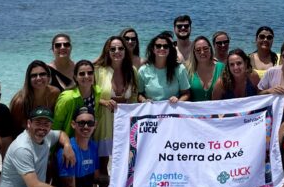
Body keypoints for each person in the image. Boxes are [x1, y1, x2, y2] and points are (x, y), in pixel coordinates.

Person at [56, 107, 118, 187]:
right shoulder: (67, 152)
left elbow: (96, 178)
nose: (86, 126)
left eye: (90, 123)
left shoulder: (93, 146)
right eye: (81, 123)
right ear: (73, 124)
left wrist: (118, 181)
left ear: (95, 125)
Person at [94, 36, 138, 173]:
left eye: (120, 48)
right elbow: (89, 95)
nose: (117, 51)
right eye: (113, 49)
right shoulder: (98, 71)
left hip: (125, 121)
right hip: (104, 119)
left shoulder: (132, 71)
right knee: (103, 161)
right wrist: (103, 101)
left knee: (126, 159)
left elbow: (135, 95)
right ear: (107, 51)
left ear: (125, 51)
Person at [137, 31, 191, 102]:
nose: (162, 48)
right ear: (153, 49)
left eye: (165, 46)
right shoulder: (143, 70)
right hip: (151, 111)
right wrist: (144, 100)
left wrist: (178, 100)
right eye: (158, 46)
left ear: (169, 49)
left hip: (173, 111)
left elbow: (186, 93)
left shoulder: (180, 69)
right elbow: (139, 94)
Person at [9, 60, 61, 131]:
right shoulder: (20, 102)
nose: (38, 78)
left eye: (42, 74)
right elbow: (12, 128)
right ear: (28, 80)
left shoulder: (55, 93)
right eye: (34, 75)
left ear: (49, 77)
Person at [53, 60, 103, 133]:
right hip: (69, 141)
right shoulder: (67, 98)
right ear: (75, 77)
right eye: (82, 74)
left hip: (88, 139)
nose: (86, 76)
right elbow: (56, 125)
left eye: (90, 73)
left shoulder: (97, 92)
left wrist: (103, 101)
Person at [185, 35, 224, 101]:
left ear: (210, 49)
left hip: (217, 110)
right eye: (198, 50)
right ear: (193, 52)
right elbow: (183, 93)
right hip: (194, 110)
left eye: (205, 48)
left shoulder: (221, 68)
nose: (202, 52)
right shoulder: (187, 69)